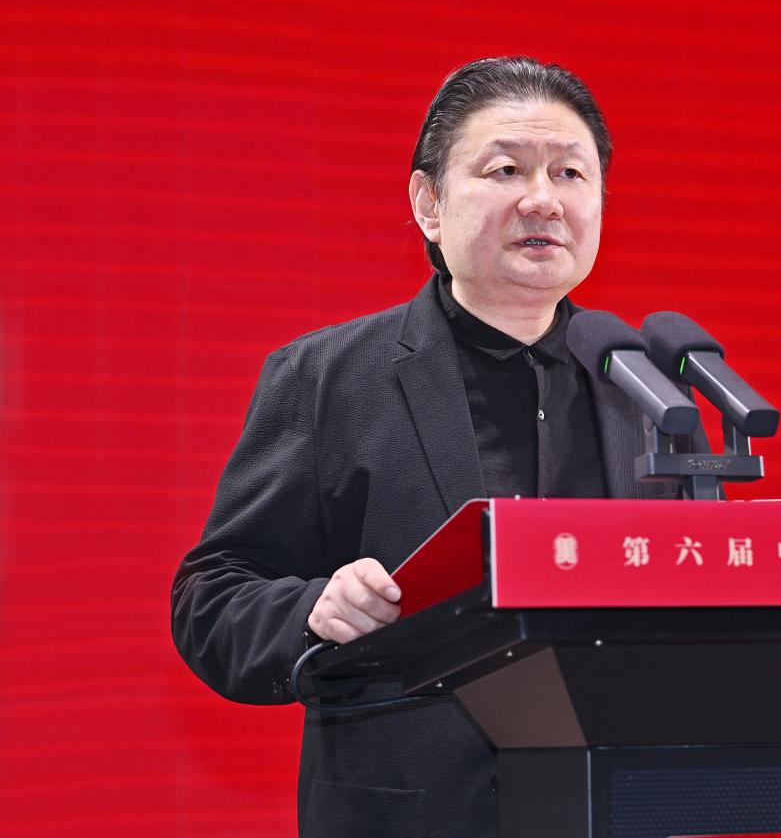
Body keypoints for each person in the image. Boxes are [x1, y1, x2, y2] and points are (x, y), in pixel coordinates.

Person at [171, 56, 705, 838]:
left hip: (618, 809)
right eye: (505, 169)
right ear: (428, 202)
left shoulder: (649, 389)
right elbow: (213, 597)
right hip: (411, 814)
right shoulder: (328, 379)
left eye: (569, 172)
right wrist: (312, 609)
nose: (542, 198)